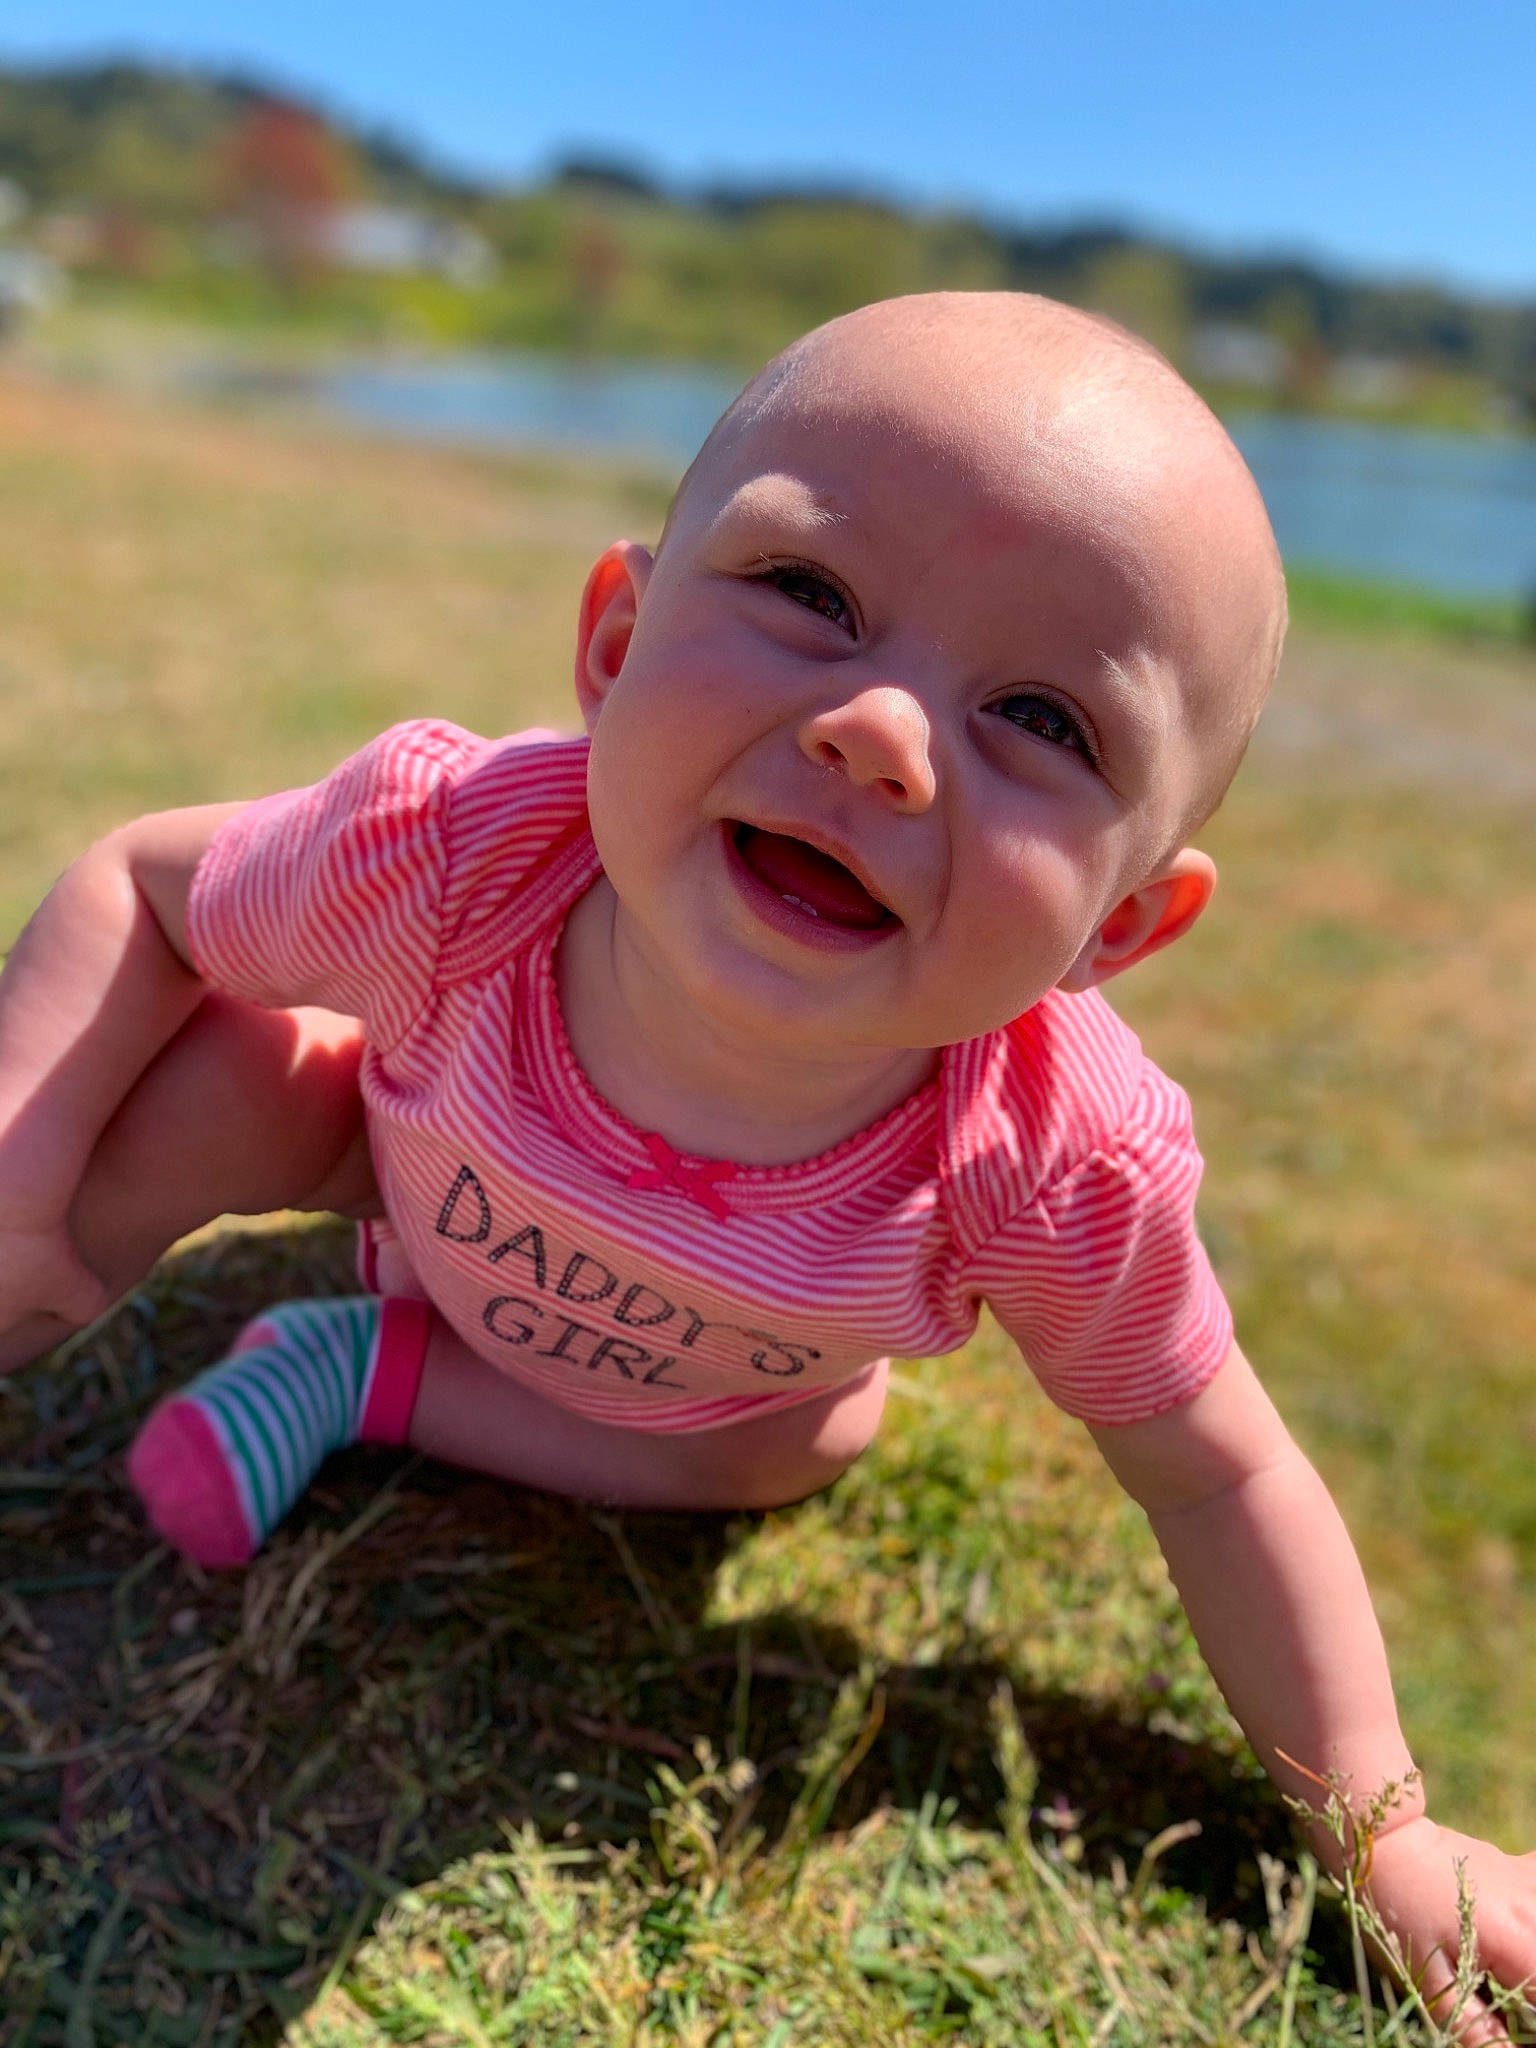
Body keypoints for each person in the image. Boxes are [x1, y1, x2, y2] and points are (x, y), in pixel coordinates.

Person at [0, 292, 1531, 2029]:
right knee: (238, 1073)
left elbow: (1216, 1470)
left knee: (820, 1437)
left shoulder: (1046, 1156)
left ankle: (362, 1372)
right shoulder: (448, 857)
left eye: (1042, 718)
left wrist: (1387, 1829)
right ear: (615, 641)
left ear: (1123, 925)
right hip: (396, 1162)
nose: (878, 732)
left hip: (709, 1404)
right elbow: (146, 890)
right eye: (811, 595)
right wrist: (22, 1176)